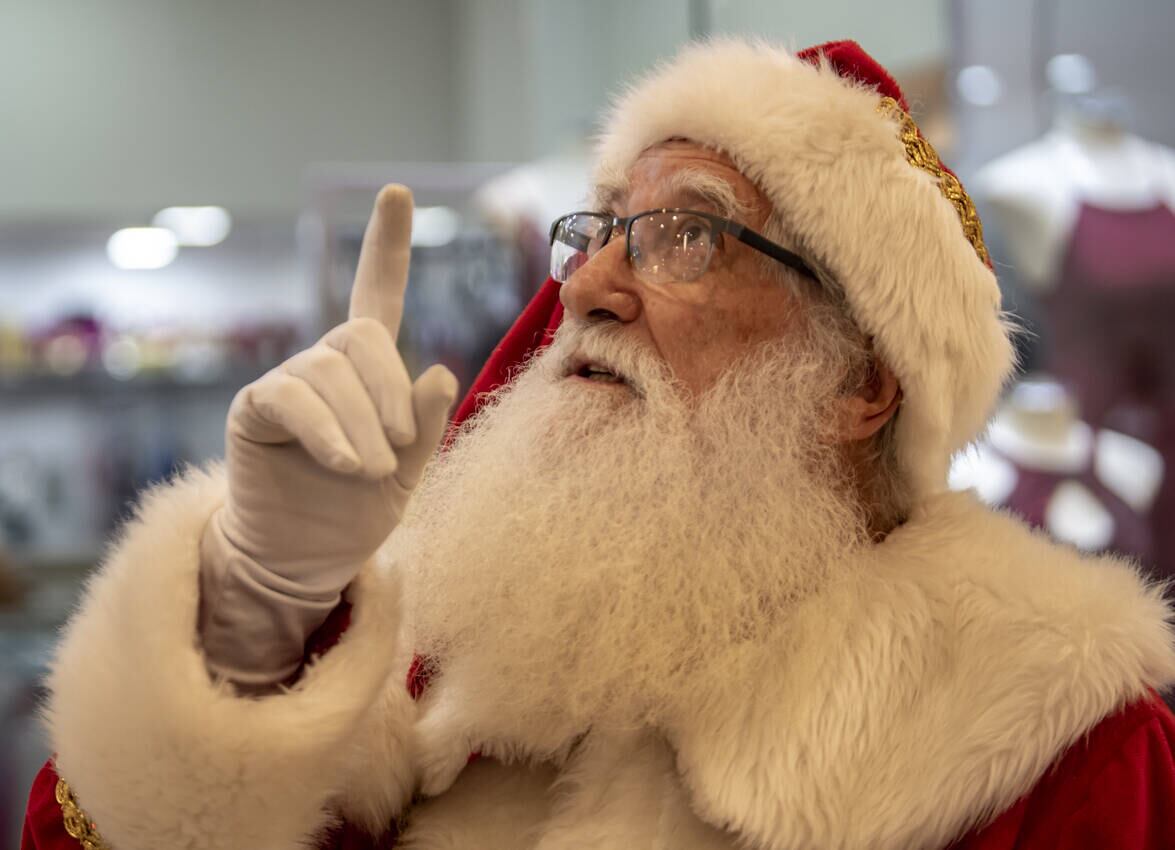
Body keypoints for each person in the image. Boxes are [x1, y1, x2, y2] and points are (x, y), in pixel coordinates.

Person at [22, 39, 1175, 850]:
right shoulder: (448, 666)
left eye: (685, 235)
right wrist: (254, 611)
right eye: (602, 228)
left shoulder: (1057, 742)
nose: (589, 286)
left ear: (859, 383)